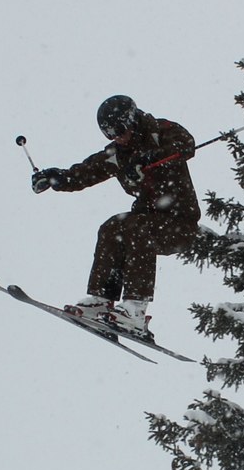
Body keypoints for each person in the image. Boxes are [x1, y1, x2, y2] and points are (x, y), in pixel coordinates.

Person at [31, 95, 201, 336]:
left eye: (119, 130)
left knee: (136, 227)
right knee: (113, 226)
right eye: (109, 133)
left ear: (132, 120)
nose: (117, 137)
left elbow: (186, 144)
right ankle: (102, 299)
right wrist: (55, 178)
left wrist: (148, 159)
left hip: (180, 224)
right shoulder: (118, 154)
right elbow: (86, 172)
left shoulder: (160, 132)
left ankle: (135, 310)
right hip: (146, 221)